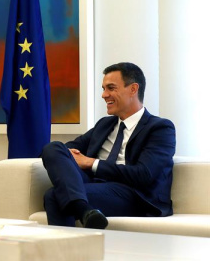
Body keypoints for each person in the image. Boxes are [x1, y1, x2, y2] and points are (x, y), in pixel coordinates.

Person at [42, 62, 176, 229]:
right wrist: (68, 155)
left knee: (53, 195)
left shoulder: (160, 128)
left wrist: (92, 163)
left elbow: (144, 175)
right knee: (53, 148)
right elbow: (69, 148)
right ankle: (85, 211)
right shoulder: (105, 125)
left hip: (133, 194)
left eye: (111, 88)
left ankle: (67, 251)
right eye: (103, 88)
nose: (104, 95)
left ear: (133, 89)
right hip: (95, 185)